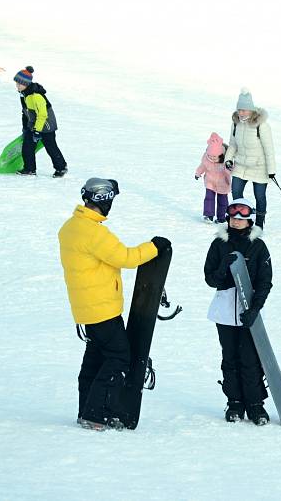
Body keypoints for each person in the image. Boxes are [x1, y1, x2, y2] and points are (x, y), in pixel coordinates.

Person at [58, 177, 170, 431]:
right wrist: (154, 247)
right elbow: (126, 258)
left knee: (95, 358)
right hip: (102, 307)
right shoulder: (94, 232)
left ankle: (86, 410)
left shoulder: (71, 226)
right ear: (103, 200)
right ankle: (97, 413)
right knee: (119, 357)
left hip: (85, 307)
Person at [203, 197, 273, 425]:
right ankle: (234, 402)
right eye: (233, 217)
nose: (236, 221)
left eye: (241, 218)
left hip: (248, 311)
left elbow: (265, 281)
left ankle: (255, 404)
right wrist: (223, 268)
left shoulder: (258, 246)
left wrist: (255, 309)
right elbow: (210, 279)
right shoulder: (218, 244)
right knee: (230, 358)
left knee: (250, 359)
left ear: (249, 220)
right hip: (224, 312)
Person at [225, 88, 276, 230]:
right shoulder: (236, 124)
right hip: (241, 165)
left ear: (251, 110)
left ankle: (259, 224)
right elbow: (233, 144)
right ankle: (238, 220)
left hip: (259, 166)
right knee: (235, 191)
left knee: (259, 196)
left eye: (244, 110)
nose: (241, 113)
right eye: (239, 110)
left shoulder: (262, 126)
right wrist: (228, 159)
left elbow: (269, 149)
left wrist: (271, 171)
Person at [13, 66, 68, 177]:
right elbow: (26, 112)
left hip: (46, 125)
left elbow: (43, 115)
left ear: (26, 84)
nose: (17, 86)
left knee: (50, 146)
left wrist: (37, 131)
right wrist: (26, 128)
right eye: (16, 83)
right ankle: (29, 169)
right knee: (27, 146)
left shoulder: (36, 96)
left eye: (20, 84)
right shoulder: (24, 95)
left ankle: (61, 168)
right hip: (33, 124)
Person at [195, 132, 232, 223]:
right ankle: (209, 215)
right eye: (210, 156)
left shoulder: (226, 160)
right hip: (210, 182)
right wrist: (198, 173)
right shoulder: (206, 157)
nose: (212, 158)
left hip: (223, 183)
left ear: (220, 155)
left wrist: (229, 170)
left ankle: (222, 217)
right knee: (209, 198)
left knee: (222, 201)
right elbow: (203, 166)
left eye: (214, 157)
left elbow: (230, 172)